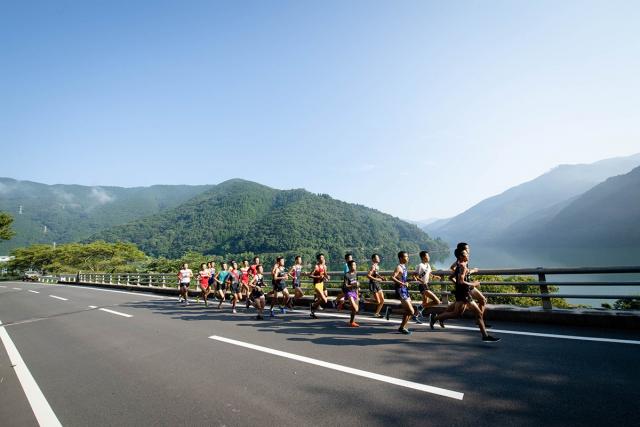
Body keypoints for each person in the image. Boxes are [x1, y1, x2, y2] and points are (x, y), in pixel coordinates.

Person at [430, 249, 500, 342]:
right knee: (459, 314)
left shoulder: (460, 265)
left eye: (467, 254)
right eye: (465, 255)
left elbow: (452, 278)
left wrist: (460, 284)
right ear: (460, 257)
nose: (468, 256)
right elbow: (461, 281)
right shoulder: (462, 266)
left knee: (461, 313)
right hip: (464, 294)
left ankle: (485, 336)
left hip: (463, 293)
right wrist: (474, 284)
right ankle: (434, 318)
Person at [390, 251, 414, 335]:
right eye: (406, 257)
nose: (407, 258)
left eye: (407, 256)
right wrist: (402, 283)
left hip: (405, 290)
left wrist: (411, 279)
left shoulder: (404, 267)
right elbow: (392, 277)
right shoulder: (399, 267)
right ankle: (391, 311)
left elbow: (403, 279)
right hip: (400, 290)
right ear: (400, 258)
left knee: (410, 311)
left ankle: (402, 327)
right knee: (411, 311)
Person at [413, 251, 441, 323]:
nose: (429, 257)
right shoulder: (420, 265)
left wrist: (435, 276)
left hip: (426, 285)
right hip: (422, 286)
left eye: (428, 256)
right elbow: (414, 275)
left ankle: (415, 316)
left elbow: (430, 274)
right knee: (437, 301)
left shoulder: (428, 265)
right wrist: (421, 281)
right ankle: (419, 308)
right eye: (427, 256)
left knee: (425, 302)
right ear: (423, 257)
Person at [309, 253, 330, 319]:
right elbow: (310, 275)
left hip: (322, 284)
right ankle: (314, 305)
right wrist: (317, 276)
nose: (322, 259)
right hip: (317, 285)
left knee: (325, 296)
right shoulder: (316, 267)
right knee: (324, 300)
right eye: (321, 257)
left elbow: (325, 274)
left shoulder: (324, 266)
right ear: (318, 259)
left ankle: (314, 307)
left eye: (323, 257)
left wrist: (327, 277)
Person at [366, 253, 385, 318]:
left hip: (377, 284)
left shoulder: (377, 266)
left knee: (382, 300)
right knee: (378, 301)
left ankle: (377, 313)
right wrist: (377, 279)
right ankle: (364, 300)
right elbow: (368, 276)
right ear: (373, 259)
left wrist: (381, 277)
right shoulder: (373, 266)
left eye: (379, 257)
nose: (379, 258)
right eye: (377, 257)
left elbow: (376, 273)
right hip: (373, 284)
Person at [344, 260, 360, 327]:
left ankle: (351, 322)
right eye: (353, 265)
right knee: (355, 308)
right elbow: (346, 285)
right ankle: (344, 305)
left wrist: (357, 294)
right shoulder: (347, 275)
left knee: (355, 310)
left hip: (354, 292)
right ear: (349, 266)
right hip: (349, 292)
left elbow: (357, 285)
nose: (355, 266)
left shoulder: (356, 273)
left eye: (355, 265)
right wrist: (353, 285)